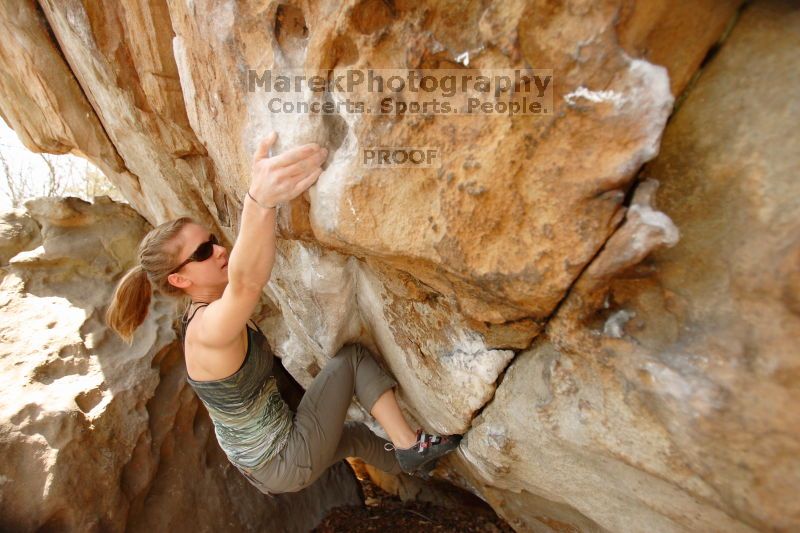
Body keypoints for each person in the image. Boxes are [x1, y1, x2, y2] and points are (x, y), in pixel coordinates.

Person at [105, 132, 461, 495]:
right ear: (179, 278)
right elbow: (246, 284)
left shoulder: (208, 312)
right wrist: (259, 201)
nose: (217, 251)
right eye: (201, 253)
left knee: (357, 438)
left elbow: (243, 277)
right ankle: (411, 447)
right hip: (281, 460)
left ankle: (429, 471)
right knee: (351, 360)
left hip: (266, 462)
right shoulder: (206, 330)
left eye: (211, 240)